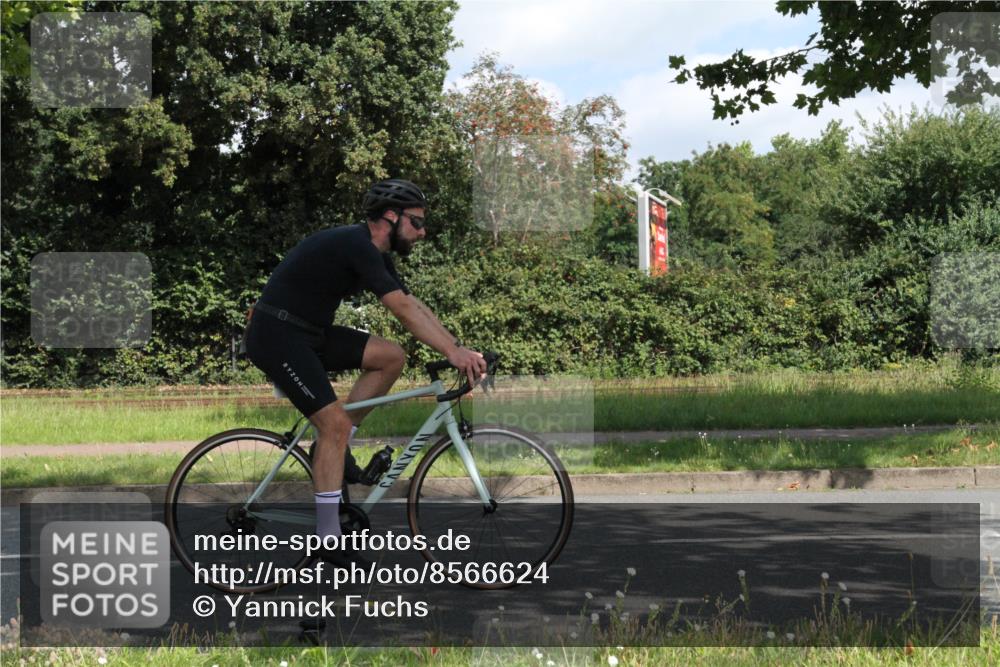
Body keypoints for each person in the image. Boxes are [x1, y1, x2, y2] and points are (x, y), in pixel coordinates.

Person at [243, 178, 487, 558]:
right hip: (277, 334)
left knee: (390, 357)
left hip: (310, 332)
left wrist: (458, 347)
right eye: (417, 223)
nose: (422, 233)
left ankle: (335, 450)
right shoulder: (357, 245)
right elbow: (404, 312)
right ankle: (327, 537)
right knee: (334, 424)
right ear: (391, 216)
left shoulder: (374, 252)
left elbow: (412, 302)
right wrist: (454, 354)